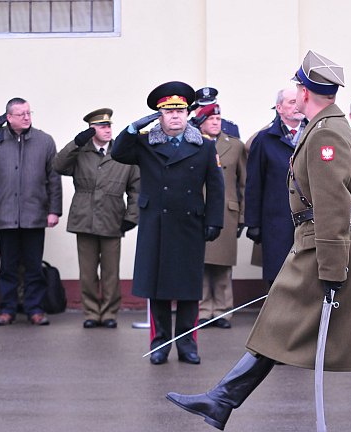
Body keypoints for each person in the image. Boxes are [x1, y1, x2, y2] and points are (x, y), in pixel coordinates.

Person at [166, 50, 351, 432]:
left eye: (299, 85)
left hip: (326, 244)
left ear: (308, 91)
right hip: (322, 242)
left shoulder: (326, 134)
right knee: (294, 325)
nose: (296, 91)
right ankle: (222, 401)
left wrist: (333, 268)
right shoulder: (325, 128)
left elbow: (333, 205)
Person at [111, 81, 225, 365]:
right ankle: (160, 342)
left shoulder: (203, 147)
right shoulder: (146, 143)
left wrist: (214, 221)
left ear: (188, 114)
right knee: (157, 288)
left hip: (190, 224)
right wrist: (133, 127)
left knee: (188, 289)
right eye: (168, 111)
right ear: (158, 115)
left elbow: (216, 186)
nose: (175, 116)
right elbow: (117, 153)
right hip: (156, 224)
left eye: (180, 111)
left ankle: (187, 344)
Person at [53, 108, 140, 329]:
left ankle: (110, 313)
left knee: (111, 273)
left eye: (109, 125)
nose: (108, 130)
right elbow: (58, 165)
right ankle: (91, 312)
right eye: (102, 126)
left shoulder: (122, 153)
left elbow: (136, 188)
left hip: (113, 217)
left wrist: (132, 217)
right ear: (91, 130)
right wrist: (75, 143)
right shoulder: (80, 152)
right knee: (88, 272)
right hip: (85, 217)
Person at [0, 98, 62, 326]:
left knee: (34, 267)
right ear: (8, 118)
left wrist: (54, 210)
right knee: (7, 267)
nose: (27, 117)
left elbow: (54, 179)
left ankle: (35, 309)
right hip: (3, 217)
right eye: (21, 114)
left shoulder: (44, 141)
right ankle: (7, 309)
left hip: (34, 216)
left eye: (28, 112)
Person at [244, 88, 306, 286]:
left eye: (298, 101)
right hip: (276, 221)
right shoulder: (264, 140)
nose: (296, 106)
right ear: (279, 108)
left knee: (307, 277)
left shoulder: (316, 134)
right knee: (279, 277)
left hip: (309, 220)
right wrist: (253, 223)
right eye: (290, 102)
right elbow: (254, 183)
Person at [196, 103, 247, 329]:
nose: (216, 122)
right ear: (201, 123)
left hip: (227, 210)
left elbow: (244, 183)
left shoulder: (235, 146)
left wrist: (243, 216)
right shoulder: (194, 143)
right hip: (199, 210)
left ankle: (223, 311)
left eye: (218, 119)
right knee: (201, 263)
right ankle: (204, 310)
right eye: (211, 119)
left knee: (223, 265)